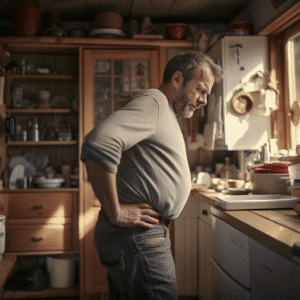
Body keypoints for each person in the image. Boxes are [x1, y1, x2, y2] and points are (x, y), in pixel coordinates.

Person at [81, 51, 222, 300]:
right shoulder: (154, 102)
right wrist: (115, 211)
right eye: (200, 90)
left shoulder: (163, 110)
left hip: (137, 239)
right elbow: (98, 143)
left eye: (207, 95)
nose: (203, 101)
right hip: (137, 239)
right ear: (177, 79)